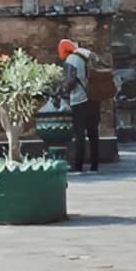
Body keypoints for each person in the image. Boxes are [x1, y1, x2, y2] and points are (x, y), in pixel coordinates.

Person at [58, 38, 99, 174]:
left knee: (79, 134)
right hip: (94, 98)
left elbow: (70, 81)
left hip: (79, 100)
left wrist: (61, 91)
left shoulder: (71, 60)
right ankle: (94, 166)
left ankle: (78, 166)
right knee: (93, 134)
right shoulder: (87, 58)